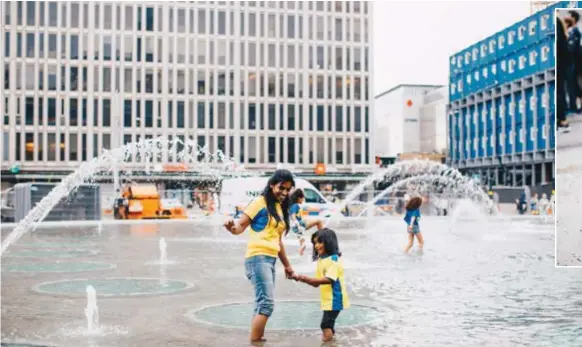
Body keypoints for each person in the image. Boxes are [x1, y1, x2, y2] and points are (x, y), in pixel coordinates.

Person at [223, 169, 296, 343]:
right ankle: (255, 342)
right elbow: (240, 227)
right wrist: (231, 227)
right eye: (281, 188)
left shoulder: (279, 207)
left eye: (288, 189)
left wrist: (287, 265)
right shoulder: (259, 202)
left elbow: (278, 242)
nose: (284, 193)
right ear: (272, 185)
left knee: (260, 303)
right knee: (266, 304)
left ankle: (257, 340)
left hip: (269, 260)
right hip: (257, 258)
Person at [292, 229, 350, 342]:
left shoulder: (334, 260)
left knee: (325, 325)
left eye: (320, 242)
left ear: (329, 242)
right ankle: (331, 341)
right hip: (328, 300)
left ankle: (328, 342)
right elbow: (316, 284)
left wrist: (304, 278)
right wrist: (299, 278)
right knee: (329, 324)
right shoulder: (321, 260)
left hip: (335, 299)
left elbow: (328, 279)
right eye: (314, 243)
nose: (316, 246)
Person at [289, 188, 324, 256]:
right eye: (303, 198)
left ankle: (301, 250)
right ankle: (323, 236)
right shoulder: (295, 205)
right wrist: (296, 222)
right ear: (299, 198)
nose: (303, 200)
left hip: (295, 227)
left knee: (302, 241)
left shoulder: (292, 205)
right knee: (319, 221)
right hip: (299, 225)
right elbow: (293, 215)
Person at [557, 14, 571, 131]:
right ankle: (561, 119)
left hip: (559, 63)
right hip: (561, 63)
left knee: (559, 91)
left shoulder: (557, 21)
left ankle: (561, 119)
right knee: (560, 90)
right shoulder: (558, 22)